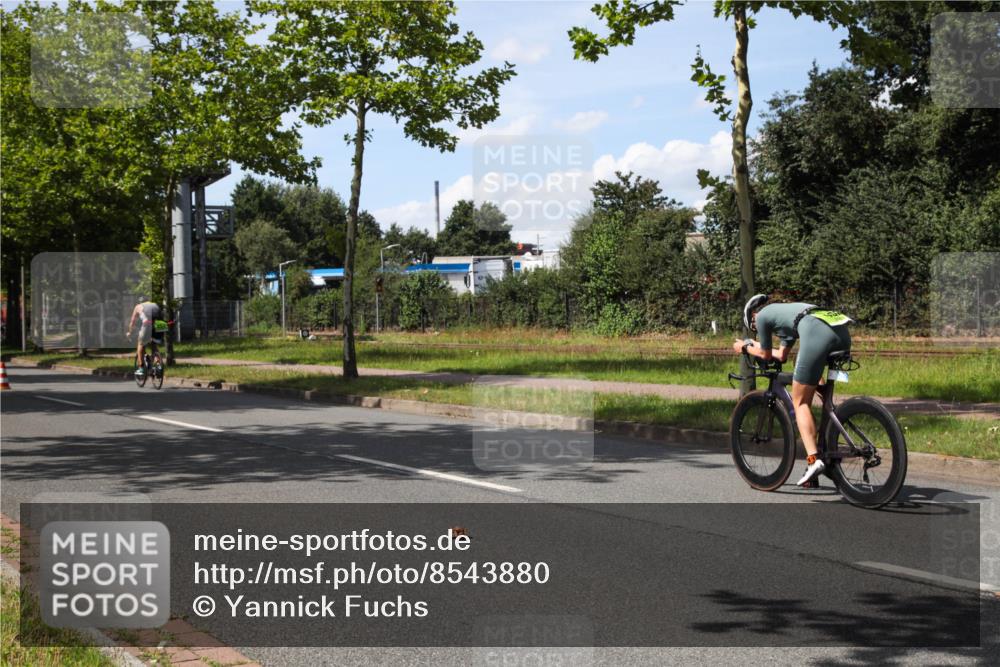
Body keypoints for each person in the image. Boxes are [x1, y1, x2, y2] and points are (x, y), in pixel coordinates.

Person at [734, 294, 853, 487]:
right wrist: (754, 345)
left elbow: (765, 354)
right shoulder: (785, 315)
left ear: (752, 316)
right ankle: (825, 448)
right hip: (840, 333)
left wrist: (744, 347)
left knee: (800, 403)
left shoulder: (762, 316)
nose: (758, 330)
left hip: (816, 331)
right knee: (810, 378)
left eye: (754, 328)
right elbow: (781, 355)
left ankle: (814, 460)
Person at [126, 297, 162, 376]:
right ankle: (158, 366)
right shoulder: (154, 304)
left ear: (139, 302)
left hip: (148, 324)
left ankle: (141, 368)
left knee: (140, 344)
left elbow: (132, 322)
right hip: (161, 324)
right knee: (154, 345)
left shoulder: (138, 306)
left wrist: (129, 333)